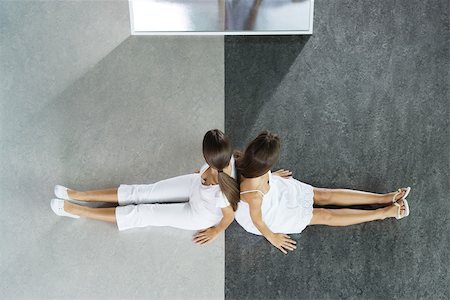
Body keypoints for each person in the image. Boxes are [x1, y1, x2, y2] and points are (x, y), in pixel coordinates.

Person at [50, 129, 240, 245]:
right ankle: (81, 195)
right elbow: (208, 173)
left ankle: (78, 210)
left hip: (198, 213)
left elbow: (229, 215)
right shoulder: (224, 157)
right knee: (142, 191)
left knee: (144, 213)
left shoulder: (222, 194)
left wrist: (215, 231)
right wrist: (201, 174)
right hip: (195, 185)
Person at [234, 131, 411, 254]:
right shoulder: (252, 195)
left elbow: (258, 171)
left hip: (274, 190)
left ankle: (385, 198)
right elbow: (258, 221)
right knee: (324, 215)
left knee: (325, 195)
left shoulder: (246, 159)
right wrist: (273, 238)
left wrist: (272, 177)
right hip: (270, 214)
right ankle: (382, 213)